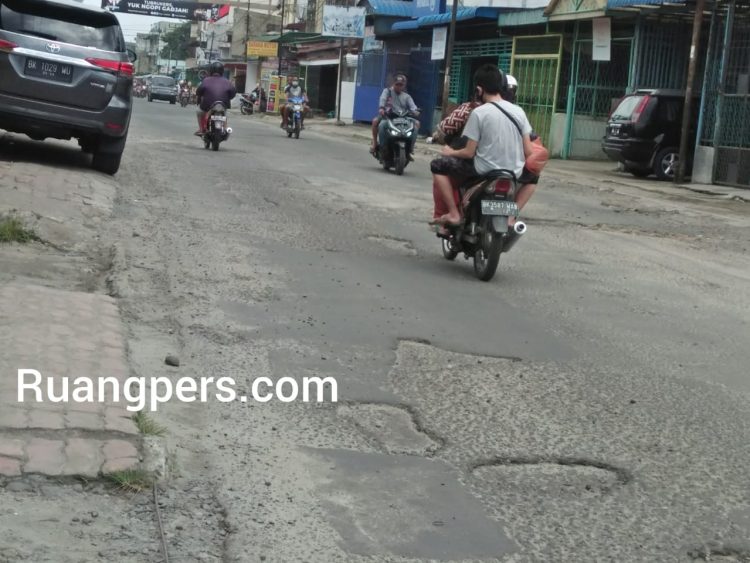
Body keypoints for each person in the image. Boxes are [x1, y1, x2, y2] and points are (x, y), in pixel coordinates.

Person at [429, 65, 533, 227]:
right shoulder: (519, 111)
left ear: (479, 90)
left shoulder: (479, 113)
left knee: (437, 166)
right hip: (514, 172)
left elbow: (469, 152)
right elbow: (529, 151)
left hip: (484, 170)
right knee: (534, 177)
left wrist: (450, 152)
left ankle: (454, 214)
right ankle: (511, 217)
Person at [370, 74, 420, 160]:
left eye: (401, 85)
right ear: (393, 84)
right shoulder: (387, 91)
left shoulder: (407, 96)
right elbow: (382, 99)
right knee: (378, 123)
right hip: (388, 116)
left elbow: (413, 107)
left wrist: (416, 111)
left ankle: (410, 148)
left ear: (404, 86)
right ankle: (379, 145)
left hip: (403, 118)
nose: (399, 87)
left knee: (417, 124)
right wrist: (382, 108)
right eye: (397, 84)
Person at [194, 62, 236, 136]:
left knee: (199, 112)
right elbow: (233, 92)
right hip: (223, 105)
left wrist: (199, 100)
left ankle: (201, 129)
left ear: (211, 70)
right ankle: (225, 128)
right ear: (222, 71)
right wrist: (228, 97)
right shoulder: (227, 81)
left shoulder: (206, 80)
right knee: (225, 115)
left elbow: (198, 92)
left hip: (207, 105)